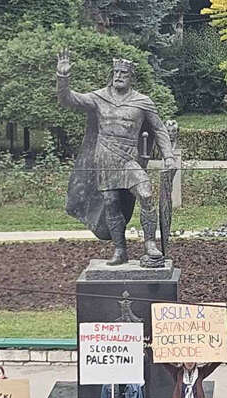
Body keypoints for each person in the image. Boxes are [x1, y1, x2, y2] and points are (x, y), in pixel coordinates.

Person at [56, 50, 176, 265]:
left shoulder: (143, 102)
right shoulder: (99, 97)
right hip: (105, 158)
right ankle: (120, 250)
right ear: (111, 74)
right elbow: (69, 100)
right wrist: (63, 77)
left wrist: (168, 156)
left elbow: (159, 130)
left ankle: (150, 243)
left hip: (129, 159)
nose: (119, 76)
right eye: (116, 72)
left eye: (124, 73)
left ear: (132, 77)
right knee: (111, 204)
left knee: (146, 194)